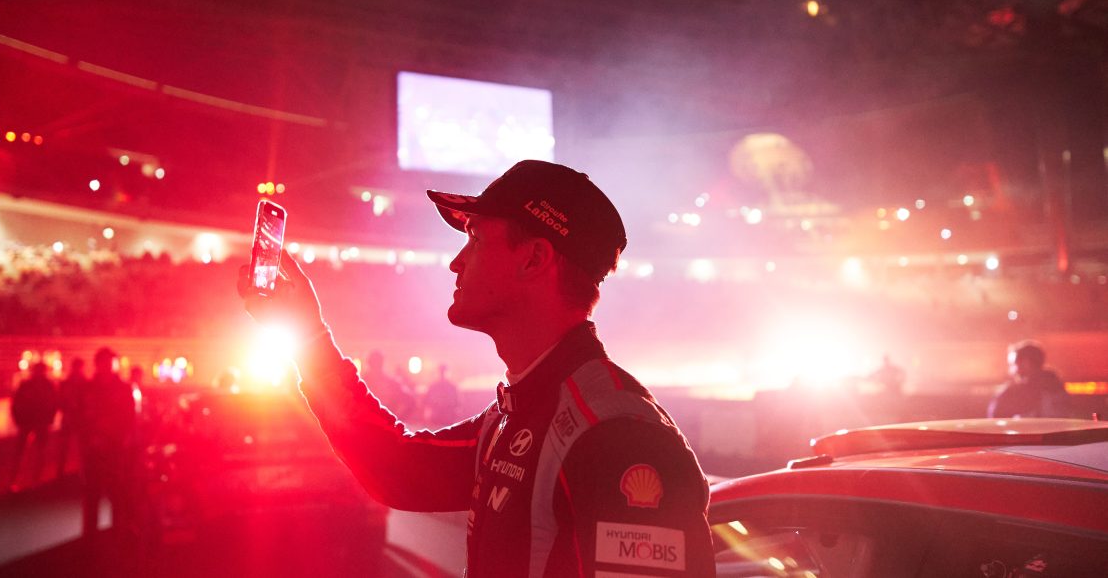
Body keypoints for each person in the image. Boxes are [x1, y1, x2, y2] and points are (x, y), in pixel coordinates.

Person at [242, 160, 715, 577]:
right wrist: (309, 337)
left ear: (534, 259)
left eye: (475, 238)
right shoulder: (516, 415)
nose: (456, 262)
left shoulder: (618, 436)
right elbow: (396, 467)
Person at [80, 346, 137, 540]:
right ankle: (90, 535)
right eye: (104, 362)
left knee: (118, 492)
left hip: (115, 449)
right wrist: (89, 439)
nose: (108, 366)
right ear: (97, 364)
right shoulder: (88, 389)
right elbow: (80, 417)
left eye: (111, 362)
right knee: (92, 493)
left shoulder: (123, 389)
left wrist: (120, 438)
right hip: (93, 450)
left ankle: (118, 532)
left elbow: (130, 418)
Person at [988, 340, 1074, 419]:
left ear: (1026, 363)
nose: (1010, 371)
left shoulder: (1012, 394)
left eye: (1013, 365)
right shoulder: (1058, 388)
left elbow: (995, 421)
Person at [9, 361, 59, 491]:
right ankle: (30, 481)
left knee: (30, 453)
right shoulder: (43, 385)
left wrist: (18, 419)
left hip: (33, 422)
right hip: (33, 422)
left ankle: (23, 480)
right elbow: (54, 403)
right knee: (34, 453)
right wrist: (49, 419)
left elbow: (54, 403)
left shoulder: (31, 385)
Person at [55, 357, 89, 477]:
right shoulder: (83, 383)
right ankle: (65, 472)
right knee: (71, 447)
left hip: (77, 419)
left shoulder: (77, 383)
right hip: (74, 419)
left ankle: (66, 472)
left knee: (77, 447)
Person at [422, 362, 461, 427]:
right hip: (436, 418)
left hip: (448, 419)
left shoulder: (452, 387)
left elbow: (458, 404)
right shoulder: (433, 387)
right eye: (441, 372)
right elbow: (426, 402)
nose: (442, 374)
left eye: (443, 372)